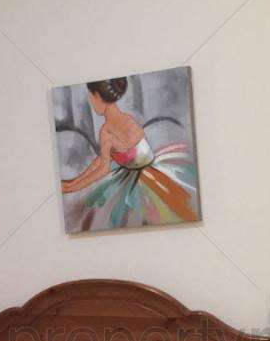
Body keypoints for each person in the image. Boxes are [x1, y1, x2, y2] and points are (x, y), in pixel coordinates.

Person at [61, 78, 198, 231]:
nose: (91, 103)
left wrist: (73, 187)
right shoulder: (127, 119)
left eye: (91, 98)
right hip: (148, 165)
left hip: (139, 179)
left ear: (98, 97)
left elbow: (103, 168)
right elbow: (102, 159)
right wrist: (74, 182)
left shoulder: (107, 131)